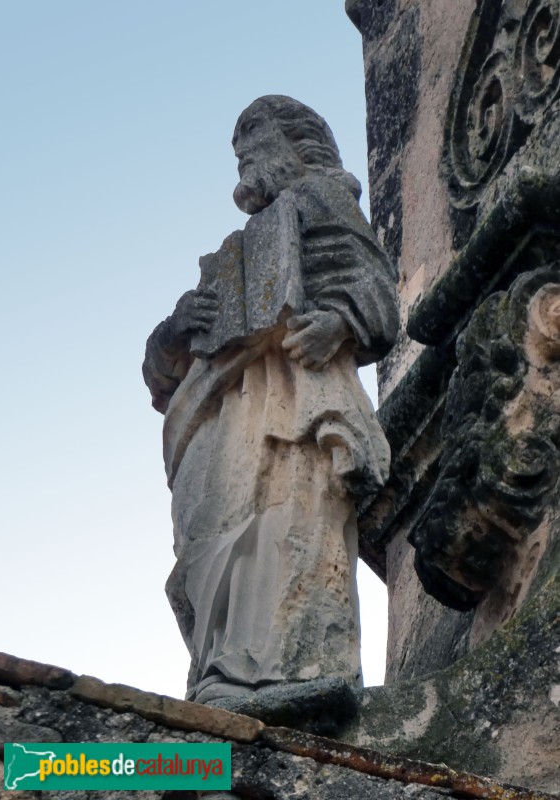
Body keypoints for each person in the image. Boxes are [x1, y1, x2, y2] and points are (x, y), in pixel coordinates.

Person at [143, 95, 399, 704]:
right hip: (220, 408)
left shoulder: (323, 198)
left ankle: (293, 669)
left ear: (291, 146)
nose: (243, 171)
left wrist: (339, 323)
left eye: (251, 152)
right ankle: (220, 675)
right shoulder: (236, 249)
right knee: (213, 536)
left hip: (296, 393)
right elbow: (161, 375)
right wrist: (177, 329)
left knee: (291, 514)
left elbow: (376, 288)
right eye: (237, 158)